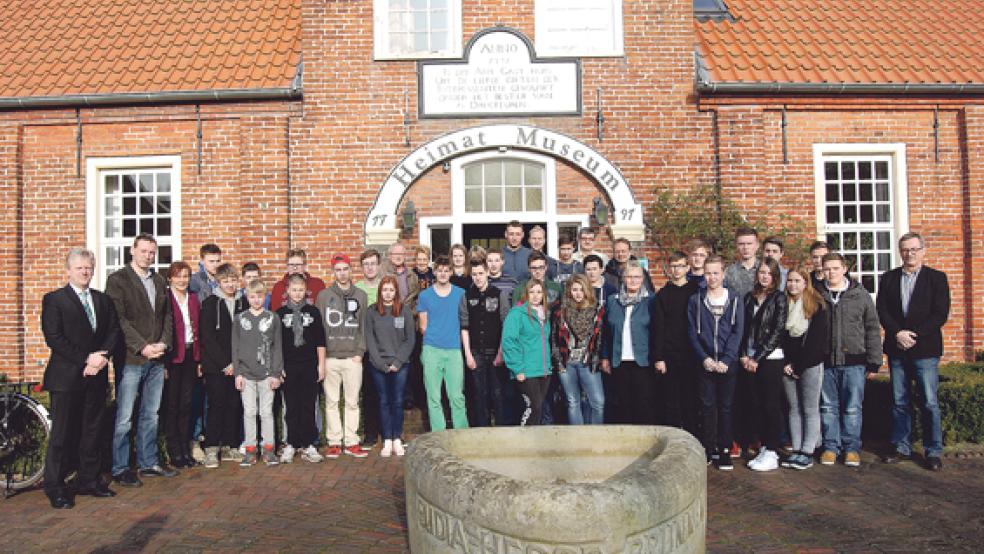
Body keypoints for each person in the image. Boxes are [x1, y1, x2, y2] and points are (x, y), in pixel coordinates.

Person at [41, 248, 120, 508]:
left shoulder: (102, 300)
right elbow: (55, 338)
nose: (85, 272)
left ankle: (89, 479)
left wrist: (102, 357)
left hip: (96, 376)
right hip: (66, 377)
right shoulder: (54, 300)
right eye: (79, 268)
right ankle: (56, 485)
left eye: (88, 268)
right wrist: (87, 358)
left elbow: (113, 331)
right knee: (62, 434)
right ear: (68, 271)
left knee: (92, 430)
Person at [107, 233, 176, 487]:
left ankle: (149, 463)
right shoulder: (117, 280)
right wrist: (142, 347)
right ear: (132, 251)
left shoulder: (158, 281)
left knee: (151, 414)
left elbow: (167, 316)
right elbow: (119, 319)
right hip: (131, 359)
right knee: (125, 417)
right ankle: (120, 467)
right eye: (144, 251)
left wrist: (163, 344)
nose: (148, 256)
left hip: (156, 359)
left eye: (152, 252)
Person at [877, 232, 950, 471]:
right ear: (900, 252)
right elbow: (883, 310)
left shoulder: (937, 279)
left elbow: (940, 313)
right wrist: (898, 333)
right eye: (905, 249)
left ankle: (933, 451)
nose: (910, 253)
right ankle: (901, 447)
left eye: (914, 249)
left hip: (925, 349)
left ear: (923, 250)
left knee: (929, 402)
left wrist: (913, 335)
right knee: (899, 401)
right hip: (898, 348)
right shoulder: (888, 278)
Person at [818, 252, 882, 467]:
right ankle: (830, 447)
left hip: (854, 361)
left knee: (852, 407)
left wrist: (874, 360)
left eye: (835, 268)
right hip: (826, 362)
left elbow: (872, 328)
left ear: (844, 269)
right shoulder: (817, 294)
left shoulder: (860, 294)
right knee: (828, 407)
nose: (831, 273)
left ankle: (852, 448)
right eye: (827, 269)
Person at [688, 255, 744, 471]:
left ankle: (725, 450)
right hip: (706, 363)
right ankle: (709, 447)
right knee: (707, 406)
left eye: (715, 273)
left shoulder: (735, 299)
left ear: (723, 274)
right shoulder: (696, 300)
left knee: (726, 407)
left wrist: (728, 359)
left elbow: (738, 331)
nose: (711, 277)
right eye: (708, 273)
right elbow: (692, 332)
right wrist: (705, 358)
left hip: (728, 365)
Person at [316, 254, 370, 458]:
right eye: (338, 269)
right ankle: (334, 441)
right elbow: (319, 328)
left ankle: (352, 441)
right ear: (333, 272)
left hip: (352, 357)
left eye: (345, 268)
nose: (342, 273)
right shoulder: (324, 296)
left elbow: (365, 326)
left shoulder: (361, 295)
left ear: (350, 270)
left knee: (352, 401)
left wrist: (360, 351)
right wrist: (322, 356)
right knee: (331, 401)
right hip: (330, 356)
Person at [739, 258, 788, 472]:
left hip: (769, 359)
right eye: (761, 272)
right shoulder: (749, 298)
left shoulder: (779, 298)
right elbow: (742, 328)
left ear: (775, 276)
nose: (764, 276)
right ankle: (762, 448)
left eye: (768, 273)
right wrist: (743, 355)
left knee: (770, 406)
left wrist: (757, 358)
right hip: (748, 358)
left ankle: (771, 450)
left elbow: (777, 332)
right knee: (755, 404)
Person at [780, 264, 830, 471]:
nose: (792, 284)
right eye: (790, 280)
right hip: (787, 366)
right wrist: (786, 364)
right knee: (794, 408)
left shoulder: (817, 305)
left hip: (809, 364)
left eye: (797, 281)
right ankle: (797, 449)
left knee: (810, 408)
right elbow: (779, 337)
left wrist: (798, 366)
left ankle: (808, 451)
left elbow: (817, 342)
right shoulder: (782, 304)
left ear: (805, 283)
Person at [600, 261, 662, 425]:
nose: (633, 280)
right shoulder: (613, 301)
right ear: (623, 279)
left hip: (643, 360)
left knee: (643, 404)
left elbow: (657, 331)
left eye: (637, 277)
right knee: (622, 404)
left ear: (642, 279)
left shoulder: (651, 300)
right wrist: (605, 357)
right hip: (619, 359)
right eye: (629, 277)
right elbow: (606, 331)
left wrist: (658, 357)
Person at [200, 263, 248, 468]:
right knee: (217, 405)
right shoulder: (211, 303)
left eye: (233, 280)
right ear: (219, 282)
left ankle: (231, 445)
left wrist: (237, 364)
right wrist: (224, 363)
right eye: (225, 281)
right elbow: (207, 337)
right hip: (216, 366)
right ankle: (211, 447)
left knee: (234, 404)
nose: (230, 284)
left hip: (238, 365)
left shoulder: (243, 303)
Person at [232, 279, 284, 466]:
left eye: (259, 296)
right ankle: (250, 450)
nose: (256, 300)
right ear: (247, 296)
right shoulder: (240, 319)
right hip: (246, 374)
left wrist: (276, 373)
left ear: (265, 297)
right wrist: (238, 373)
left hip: (267, 373)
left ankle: (269, 449)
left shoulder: (273, 318)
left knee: (266, 412)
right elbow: (235, 347)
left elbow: (277, 347)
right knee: (249, 412)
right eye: (252, 296)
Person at [276, 274, 327, 464]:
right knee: (291, 406)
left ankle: (309, 444)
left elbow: (320, 341)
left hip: (309, 364)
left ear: (305, 290)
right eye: (294, 290)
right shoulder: (280, 314)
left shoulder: (313, 312)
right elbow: (277, 343)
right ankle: (291, 443)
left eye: (300, 290)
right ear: (287, 291)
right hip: (289, 366)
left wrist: (321, 365)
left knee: (308, 405)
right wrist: (279, 366)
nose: (297, 293)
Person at [365, 276, 416, 456]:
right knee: (384, 401)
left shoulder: (404, 311)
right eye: (385, 290)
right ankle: (387, 439)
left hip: (400, 364)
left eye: (391, 290)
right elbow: (369, 339)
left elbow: (410, 339)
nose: (388, 293)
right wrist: (380, 363)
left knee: (397, 401)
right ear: (380, 291)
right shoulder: (371, 312)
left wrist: (397, 362)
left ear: (396, 292)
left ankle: (396, 438)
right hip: (378, 365)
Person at [417, 255, 469, 431]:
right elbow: (423, 326)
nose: (443, 274)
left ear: (451, 272)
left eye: (446, 271)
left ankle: (461, 433)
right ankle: (438, 434)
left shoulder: (460, 294)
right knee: (433, 396)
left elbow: (464, 321)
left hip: (454, 349)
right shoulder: (425, 295)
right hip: (432, 349)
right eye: (439, 270)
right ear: (435, 272)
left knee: (456, 396)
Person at [459, 260, 510, 427]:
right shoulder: (467, 296)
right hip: (476, 352)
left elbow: (505, 325)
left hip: (495, 351)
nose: (478, 277)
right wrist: (468, 354)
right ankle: (482, 430)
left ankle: (501, 431)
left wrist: (501, 353)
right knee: (479, 394)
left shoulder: (498, 294)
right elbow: (464, 327)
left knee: (498, 393)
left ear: (487, 272)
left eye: (481, 273)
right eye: (474, 274)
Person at [654, 251, 700, 433]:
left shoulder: (695, 292)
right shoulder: (663, 294)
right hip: (670, 355)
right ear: (668, 269)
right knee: (671, 401)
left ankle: (693, 439)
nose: (677, 270)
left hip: (692, 354)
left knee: (691, 400)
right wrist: (659, 357)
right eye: (673, 266)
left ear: (687, 267)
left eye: (680, 266)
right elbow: (659, 327)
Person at [551, 274, 606, 425]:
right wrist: (559, 364)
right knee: (573, 402)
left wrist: (596, 359)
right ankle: (578, 439)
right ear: (569, 291)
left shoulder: (596, 310)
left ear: (587, 290)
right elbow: (554, 339)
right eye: (574, 289)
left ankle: (595, 437)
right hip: (567, 363)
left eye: (582, 289)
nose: (578, 293)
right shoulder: (560, 311)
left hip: (587, 362)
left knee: (598, 402)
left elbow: (599, 338)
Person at [164, 261, 201, 469]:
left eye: (186, 276)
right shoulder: (166, 298)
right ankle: (174, 451)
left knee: (187, 404)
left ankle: (185, 450)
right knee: (173, 405)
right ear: (170, 278)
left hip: (190, 355)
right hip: (173, 357)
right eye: (178, 276)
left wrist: (199, 359)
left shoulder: (193, 299)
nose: (182, 280)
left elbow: (199, 329)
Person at [502, 279, 552, 426]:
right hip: (526, 370)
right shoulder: (517, 314)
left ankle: (534, 443)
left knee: (538, 408)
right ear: (526, 294)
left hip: (543, 370)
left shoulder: (545, 315)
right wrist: (517, 368)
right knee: (533, 407)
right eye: (531, 292)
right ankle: (524, 441)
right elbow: (509, 341)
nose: (535, 296)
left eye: (539, 292)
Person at [355, 249, 383, 448]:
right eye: (366, 264)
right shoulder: (357, 289)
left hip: (385, 346)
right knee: (369, 392)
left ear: (379, 265)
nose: (370, 267)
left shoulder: (387, 286)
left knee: (387, 392)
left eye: (373, 263)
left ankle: (389, 432)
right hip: (365, 347)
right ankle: (371, 433)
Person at [724, 227, 760, 300]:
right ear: (736, 246)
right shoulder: (728, 272)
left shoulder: (765, 270)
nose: (745, 247)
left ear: (757, 245)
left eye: (749, 244)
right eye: (741, 244)